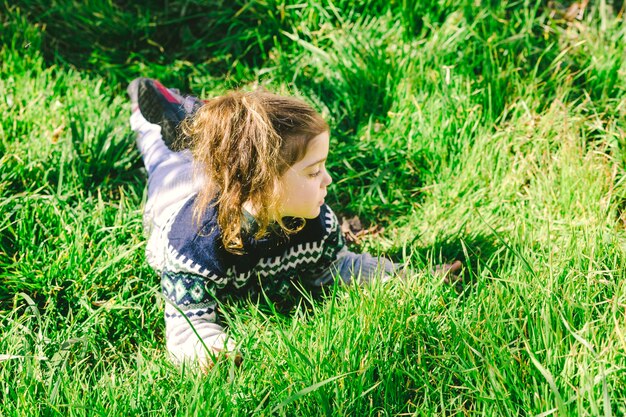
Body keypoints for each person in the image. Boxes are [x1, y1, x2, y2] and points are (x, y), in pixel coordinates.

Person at [127, 78, 459, 368]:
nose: (328, 179)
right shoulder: (193, 246)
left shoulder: (315, 221)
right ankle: (156, 117)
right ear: (264, 183)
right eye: (314, 171)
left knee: (221, 147)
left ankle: (199, 119)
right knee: (165, 155)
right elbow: (187, 323)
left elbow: (335, 267)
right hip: (177, 195)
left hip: (238, 187)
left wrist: (406, 277)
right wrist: (212, 351)